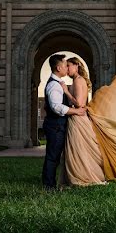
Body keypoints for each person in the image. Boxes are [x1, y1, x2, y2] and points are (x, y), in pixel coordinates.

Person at [41, 53, 86, 191]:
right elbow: (56, 107)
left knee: (55, 155)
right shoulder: (54, 85)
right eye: (65, 65)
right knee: (53, 156)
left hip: (57, 125)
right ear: (59, 68)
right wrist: (76, 111)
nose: (67, 68)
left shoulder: (58, 83)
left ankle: (52, 182)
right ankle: (49, 186)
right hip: (55, 125)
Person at [59, 56, 106, 186]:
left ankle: (82, 176)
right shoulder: (78, 81)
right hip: (77, 118)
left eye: (69, 66)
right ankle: (78, 175)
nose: (67, 69)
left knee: (79, 150)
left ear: (76, 66)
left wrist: (66, 92)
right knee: (78, 150)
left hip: (78, 119)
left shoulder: (78, 81)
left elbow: (79, 103)